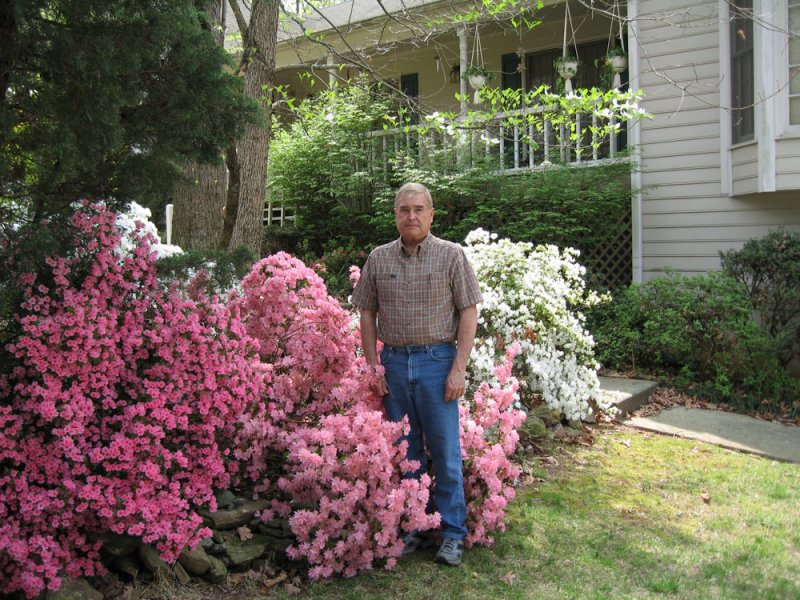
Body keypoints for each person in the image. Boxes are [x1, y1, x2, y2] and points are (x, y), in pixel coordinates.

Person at [351, 182, 482, 567]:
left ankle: (453, 534)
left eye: (418, 209)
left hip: (437, 362)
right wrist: (373, 365)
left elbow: (469, 311)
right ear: (395, 215)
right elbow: (367, 313)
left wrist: (458, 368)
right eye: (404, 209)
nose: (411, 216)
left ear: (431, 214)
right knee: (406, 453)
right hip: (393, 364)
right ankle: (415, 526)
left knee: (445, 451)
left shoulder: (451, 256)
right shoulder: (379, 258)